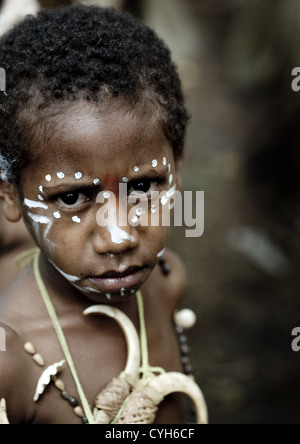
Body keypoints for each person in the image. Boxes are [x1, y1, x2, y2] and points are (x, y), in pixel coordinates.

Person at [0, 5, 205, 424]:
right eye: (72, 196)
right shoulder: (11, 362)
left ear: (178, 168)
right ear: (11, 197)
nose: (118, 237)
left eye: (144, 187)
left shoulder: (167, 282)